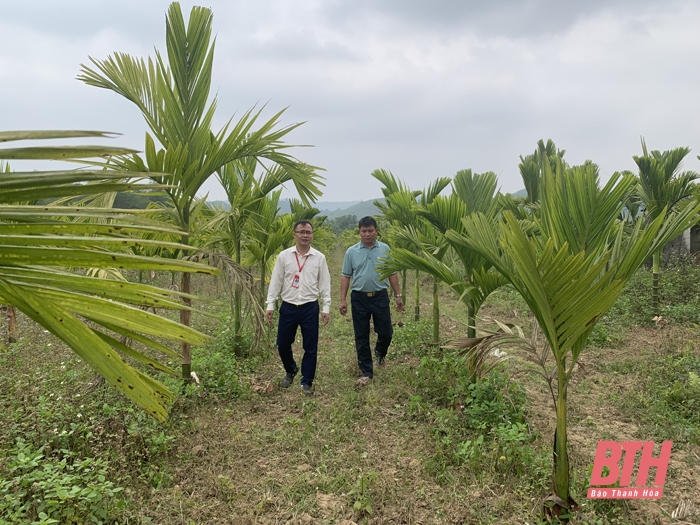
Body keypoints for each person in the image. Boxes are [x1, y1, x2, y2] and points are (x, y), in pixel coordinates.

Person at [266, 220, 331, 396]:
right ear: (294, 235)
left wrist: (326, 307)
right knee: (282, 344)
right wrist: (270, 304)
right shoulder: (284, 256)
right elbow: (276, 281)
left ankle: (306, 381)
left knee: (310, 347)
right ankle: (291, 369)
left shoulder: (319, 258)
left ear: (312, 235)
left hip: (309, 307)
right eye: (301, 232)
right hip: (288, 306)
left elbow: (325, 283)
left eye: (308, 232)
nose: (305, 235)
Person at [339, 216, 404, 386]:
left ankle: (379, 353)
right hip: (359, 298)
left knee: (386, 332)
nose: (367, 234)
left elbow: (392, 273)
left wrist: (398, 296)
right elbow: (346, 276)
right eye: (363, 231)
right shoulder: (351, 252)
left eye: (370, 230)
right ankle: (366, 371)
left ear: (376, 231)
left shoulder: (385, 249)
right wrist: (342, 300)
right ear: (359, 232)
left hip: (380, 296)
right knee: (361, 335)